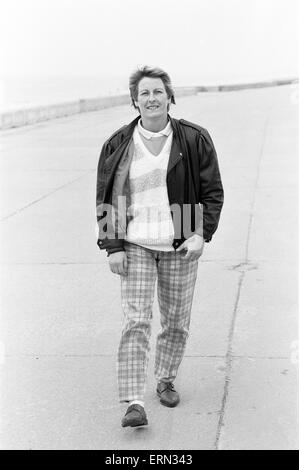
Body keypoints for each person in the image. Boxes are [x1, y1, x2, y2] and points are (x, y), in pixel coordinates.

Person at [96, 66, 224, 428]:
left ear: (169, 97)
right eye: (144, 94)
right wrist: (112, 245)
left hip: (180, 239)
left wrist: (203, 232)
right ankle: (134, 400)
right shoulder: (118, 143)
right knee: (136, 320)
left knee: (176, 322)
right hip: (134, 241)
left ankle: (165, 378)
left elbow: (213, 192)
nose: (151, 99)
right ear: (134, 102)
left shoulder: (193, 138)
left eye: (157, 92)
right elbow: (105, 195)